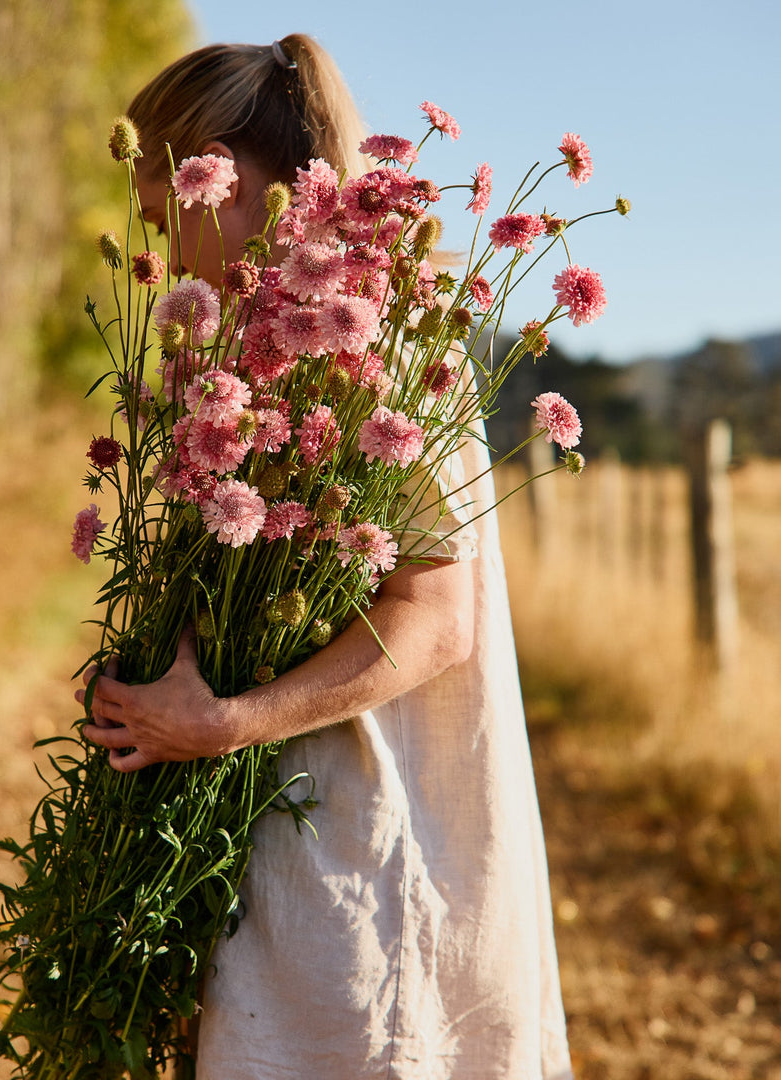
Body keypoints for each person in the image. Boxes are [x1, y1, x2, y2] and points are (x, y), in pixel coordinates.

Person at [77, 34, 574, 1080]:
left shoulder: (377, 342)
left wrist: (220, 724)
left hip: (367, 841)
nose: (163, 255)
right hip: (282, 840)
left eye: (170, 220)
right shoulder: (257, 346)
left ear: (229, 176)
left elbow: (437, 618)